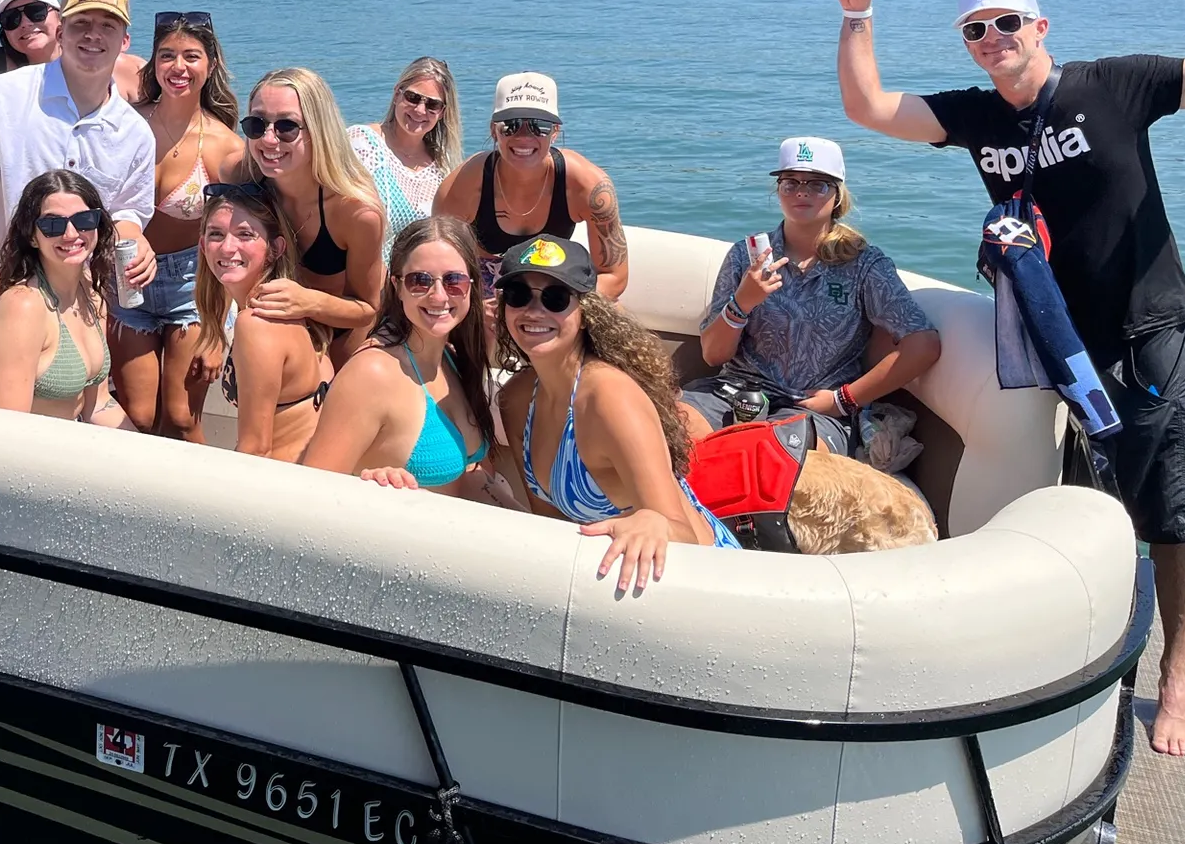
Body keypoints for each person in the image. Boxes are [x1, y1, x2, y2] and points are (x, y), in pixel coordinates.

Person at [833, 0, 1185, 756]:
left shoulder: (1116, 85)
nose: (993, 39)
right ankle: (1092, 640)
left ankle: (1179, 676)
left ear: (1040, 26)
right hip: (1051, 340)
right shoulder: (972, 115)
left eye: (1007, 23)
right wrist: (858, 12)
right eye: (976, 30)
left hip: (1149, 327)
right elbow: (868, 107)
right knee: (1085, 497)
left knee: (1174, 505)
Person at [0, 0, 158, 403]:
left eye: (107, 25)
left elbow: (126, 215)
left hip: (77, 318)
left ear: (125, 39)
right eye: (81, 23)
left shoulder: (135, 134)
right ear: (60, 31)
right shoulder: (1, 97)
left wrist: (137, 242)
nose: (93, 35)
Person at [495, 235, 740, 590]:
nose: (534, 311)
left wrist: (653, 522)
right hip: (611, 581)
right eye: (518, 296)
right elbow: (549, 523)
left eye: (555, 298)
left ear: (583, 314)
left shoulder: (609, 399)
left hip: (703, 580)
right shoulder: (517, 399)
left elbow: (681, 535)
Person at [684, 136, 942, 456]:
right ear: (777, 191)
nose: (801, 191)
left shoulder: (864, 265)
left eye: (817, 184)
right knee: (673, 430)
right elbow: (713, 356)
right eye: (789, 182)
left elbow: (923, 344)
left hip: (813, 410)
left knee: (779, 460)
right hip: (735, 393)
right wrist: (742, 302)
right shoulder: (746, 256)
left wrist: (843, 400)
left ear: (837, 195)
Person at [111, 10, 246, 439]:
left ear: (210, 66)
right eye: (167, 55)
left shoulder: (225, 146)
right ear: (153, 63)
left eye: (191, 56)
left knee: (183, 418)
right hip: (126, 278)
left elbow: (241, 242)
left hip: (193, 284)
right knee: (139, 415)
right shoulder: (124, 124)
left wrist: (221, 326)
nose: (179, 67)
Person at [303, 216, 504, 503]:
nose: (438, 295)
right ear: (397, 287)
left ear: (472, 286)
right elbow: (313, 495)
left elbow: (470, 480)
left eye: (454, 281)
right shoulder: (372, 374)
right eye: (420, 281)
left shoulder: (452, 360)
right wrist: (372, 492)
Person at [228, 67, 386, 369]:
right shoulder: (240, 176)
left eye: (287, 126)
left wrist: (307, 302)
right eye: (256, 125)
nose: (270, 140)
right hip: (271, 331)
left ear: (319, 130)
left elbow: (367, 309)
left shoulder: (355, 212)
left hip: (343, 341)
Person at [434, 72, 629, 299]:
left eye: (540, 126)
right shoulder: (463, 186)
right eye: (511, 125)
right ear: (493, 130)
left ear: (555, 132)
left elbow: (615, 276)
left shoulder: (589, 186)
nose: (524, 137)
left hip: (555, 292)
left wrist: (558, 302)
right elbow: (438, 267)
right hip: (482, 295)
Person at [196, 181, 329, 460]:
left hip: (286, 480)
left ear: (276, 247)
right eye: (216, 234)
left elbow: (256, 448)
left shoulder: (257, 323)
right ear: (202, 244)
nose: (227, 247)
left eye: (245, 234)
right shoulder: (285, 305)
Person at [0, 170, 119, 422]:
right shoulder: (22, 306)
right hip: (32, 455)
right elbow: (8, 427)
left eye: (85, 220)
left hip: (72, 444)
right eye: (52, 224)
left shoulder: (91, 293)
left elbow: (98, 405)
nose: (70, 234)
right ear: (33, 236)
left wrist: (150, 451)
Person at [349, 59, 463, 257]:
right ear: (396, 94)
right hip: (364, 279)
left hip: (416, 282)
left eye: (432, 104)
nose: (420, 110)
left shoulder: (444, 166)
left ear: (442, 112)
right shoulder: (361, 143)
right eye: (412, 97)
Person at [0, 0, 147, 101]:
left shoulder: (126, 69)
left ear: (60, 17)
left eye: (36, 11)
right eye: (11, 18)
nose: (25, 23)